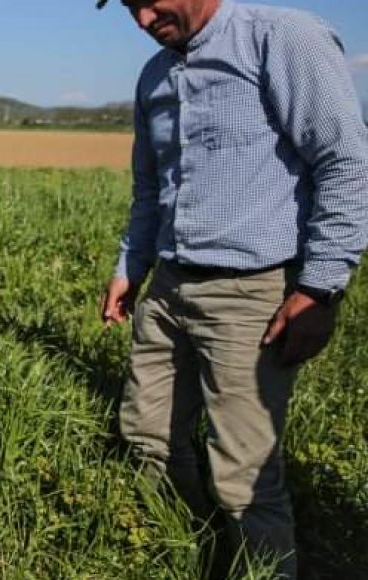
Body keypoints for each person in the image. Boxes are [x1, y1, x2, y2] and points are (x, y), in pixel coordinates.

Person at [99, 0, 368, 576]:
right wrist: (131, 265)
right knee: (146, 435)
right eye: (128, 6)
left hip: (252, 293)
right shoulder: (155, 76)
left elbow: (345, 164)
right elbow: (150, 187)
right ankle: (180, 552)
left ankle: (267, 568)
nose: (143, 19)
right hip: (168, 285)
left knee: (244, 475)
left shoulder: (280, 39)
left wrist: (321, 288)